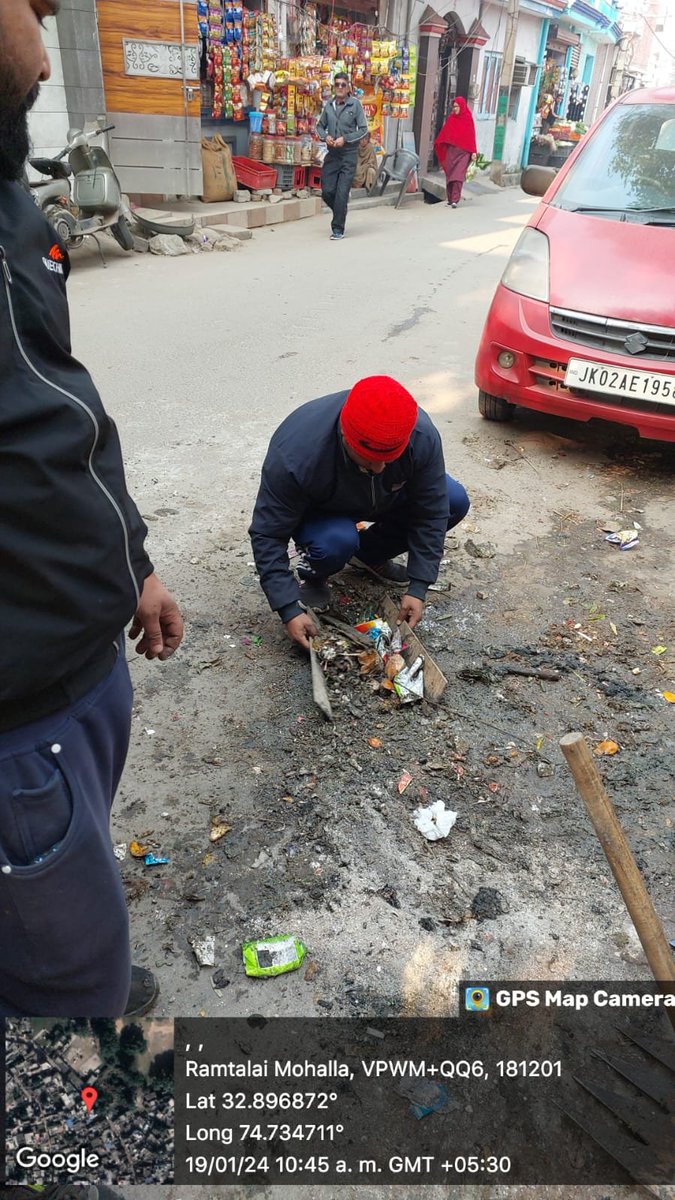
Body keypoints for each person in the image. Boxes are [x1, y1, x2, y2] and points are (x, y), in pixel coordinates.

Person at [0, 0, 184, 1017]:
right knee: (68, 997)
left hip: (72, 680)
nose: (44, 35)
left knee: (67, 910)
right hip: (19, 717)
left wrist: (135, 564)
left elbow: (67, 412)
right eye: (30, 6)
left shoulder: (11, 205)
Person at [249, 376, 470, 650]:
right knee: (334, 542)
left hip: (385, 497)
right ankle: (315, 574)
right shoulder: (296, 453)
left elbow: (432, 509)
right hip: (324, 511)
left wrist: (419, 585)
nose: (379, 469)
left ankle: (368, 554)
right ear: (345, 437)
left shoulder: (418, 433)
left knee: (453, 501)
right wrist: (287, 607)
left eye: (388, 459)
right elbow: (268, 533)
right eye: (369, 460)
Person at [316, 71, 368, 240]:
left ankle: (338, 228)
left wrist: (345, 139)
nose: (340, 87)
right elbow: (319, 126)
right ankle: (340, 211)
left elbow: (363, 130)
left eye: (343, 85)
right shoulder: (329, 106)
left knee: (342, 193)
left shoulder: (355, 105)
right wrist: (325, 137)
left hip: (348, 155)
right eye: (337, 84)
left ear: (348, 87)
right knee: (327, 191)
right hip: (332, 154)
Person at [434, 96, 477, 208]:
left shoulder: (468, 119)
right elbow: (445, 134)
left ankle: (455, 199)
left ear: (462, 106)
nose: (455, 109)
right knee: (450, 175)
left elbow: (471, 136)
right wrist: (440, 144)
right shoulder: (451, 119)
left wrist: (473, 151)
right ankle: (450, 199)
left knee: (458, 176)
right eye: (454, 107)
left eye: (457, 106)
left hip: (464, 153)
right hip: (452, 152)